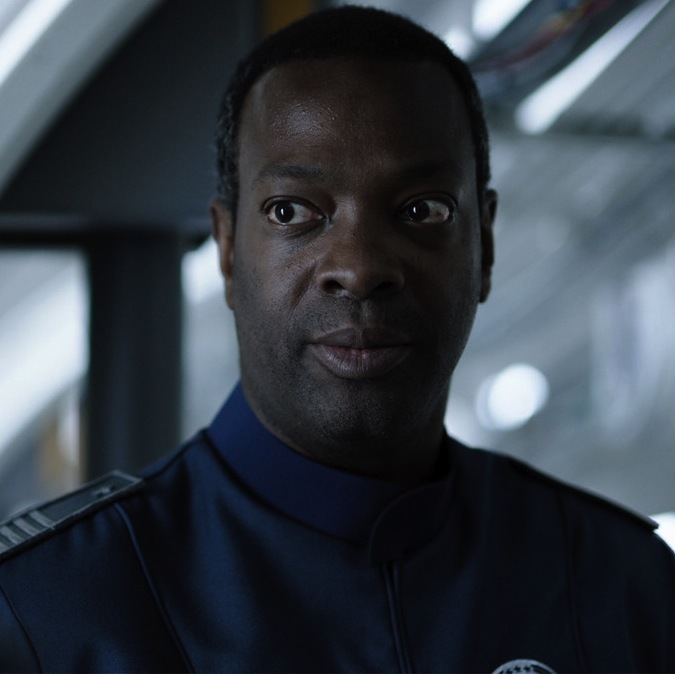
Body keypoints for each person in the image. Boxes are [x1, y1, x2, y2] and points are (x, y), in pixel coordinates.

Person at [1, 5, 673, 672]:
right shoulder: (43, 613)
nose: (359, 267)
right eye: (291, 211)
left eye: (422, 210)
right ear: (228, 250)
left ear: (485, 245)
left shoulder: (621, 587)